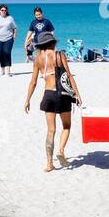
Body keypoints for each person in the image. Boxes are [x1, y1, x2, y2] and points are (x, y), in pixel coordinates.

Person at [24, 30, 82, 171]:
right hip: (62, 95)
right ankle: (61, 150)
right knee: (66, 126)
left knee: (51, 130)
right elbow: (68, 75)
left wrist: (27, 100)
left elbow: (33, 82)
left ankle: (49, 164)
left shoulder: (38, 59)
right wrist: (78, 94)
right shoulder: (59, 55)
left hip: (48, 95)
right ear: (53, 42)